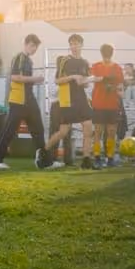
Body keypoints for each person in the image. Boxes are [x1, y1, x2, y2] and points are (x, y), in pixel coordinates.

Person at [0, 35, 47, 169]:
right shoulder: (19, 58)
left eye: (36, 47)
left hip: (29, 99)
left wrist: (33, 80)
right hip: (18, 100)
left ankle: (45, 161)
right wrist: (35, 79)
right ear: (26, 44)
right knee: (9, 131)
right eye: (33, 46)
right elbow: (15, 77)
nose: (34, 49)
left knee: (38, 129)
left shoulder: (28, 60)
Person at [43, 33, 95, 170]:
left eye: (76, 43)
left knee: (88, 126)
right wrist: (73, 76)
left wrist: (87, 82)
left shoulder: (85, 62)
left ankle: (86, 159)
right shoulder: (65, 60)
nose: (74, 46)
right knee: (63, 132)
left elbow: (86, 82)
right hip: (68, 99)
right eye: (71, 43)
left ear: (81, 45)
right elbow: (57, 80)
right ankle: (43, 151)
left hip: (81, 98)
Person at [88, 44, 124, 167]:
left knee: (110, 131)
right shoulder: (96, 66)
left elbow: (120, 86)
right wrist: (106, 79)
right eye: (105, 53)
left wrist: (113, 87)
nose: (106, 55)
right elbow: (94, 78)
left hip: (112, 103)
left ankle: (109, 158)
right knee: (100, 131)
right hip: (99, 102)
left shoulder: (117, 67)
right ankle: (99, 157)